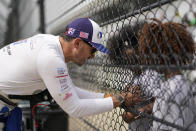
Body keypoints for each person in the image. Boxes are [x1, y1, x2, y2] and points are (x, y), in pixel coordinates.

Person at [0, 18, 141, 118]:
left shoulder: (50, 43)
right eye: (93, 51)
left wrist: (109, 97)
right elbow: (74, 108)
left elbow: (69, 90)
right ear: (78, 43)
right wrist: (119, 100)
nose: (92, 57)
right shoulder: (51, 58)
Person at [122, 19, 196, 130]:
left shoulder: (171, 89)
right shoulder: (179, 83)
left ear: (157, 54)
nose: (147, 60)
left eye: (148, 54)